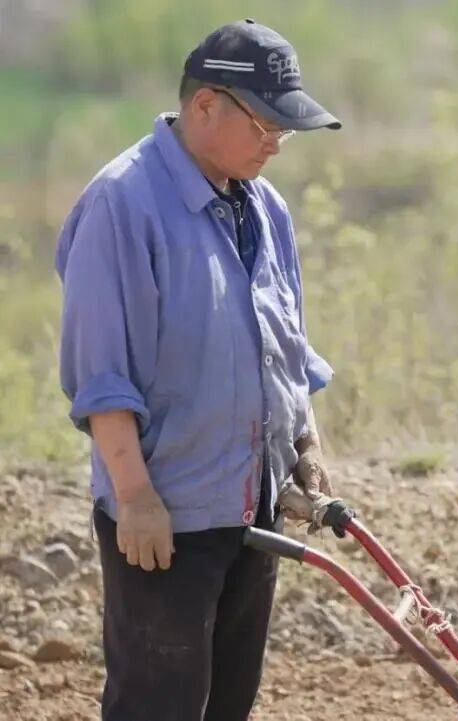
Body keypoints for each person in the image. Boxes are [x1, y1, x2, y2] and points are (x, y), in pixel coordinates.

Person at [56, 19, 340, 721]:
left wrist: (305, 448)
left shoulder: (265, 208)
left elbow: (285, 344)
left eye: (285, 128)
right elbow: (101, 374)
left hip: (253, 509)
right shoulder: (123, 205)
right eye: (265, 122)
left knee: (227, 703)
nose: (276, 141)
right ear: (206, 105)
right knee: (159, 704)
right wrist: (135, 496)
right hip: (164, 519)